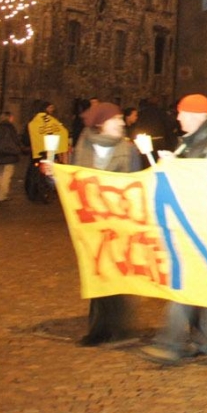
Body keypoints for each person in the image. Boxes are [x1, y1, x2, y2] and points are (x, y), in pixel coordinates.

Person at [142, 93, 207, 364]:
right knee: (199, 284)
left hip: (202, 227)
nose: (178, 117)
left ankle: (170, 343)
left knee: (187, 283)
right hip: (193, 223)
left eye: (182, 113)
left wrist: (178, 169)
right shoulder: (197, 141)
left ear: (197, 116)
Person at [71, 102, 142, 344]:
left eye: (122, 119)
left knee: (115, 271)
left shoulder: (128, 150)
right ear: (101, 124)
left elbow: (135, 183)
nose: (122, 123)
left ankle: (116, 325)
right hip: (91, 223)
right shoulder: (82, 147)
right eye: (117, 120)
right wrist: (51, 175)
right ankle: (100, 329)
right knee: (97, 273)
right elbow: (70, 181)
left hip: (118, 222)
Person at [0, 111, 22, 202]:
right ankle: (2, 196)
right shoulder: (10, 128)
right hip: (10, 154)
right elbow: (15, 141)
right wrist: (18, 149)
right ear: (9, 118)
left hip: (0, 154)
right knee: (7, 176)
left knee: (0, 175)